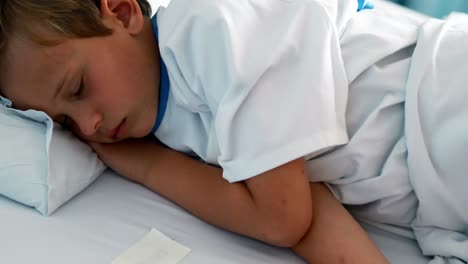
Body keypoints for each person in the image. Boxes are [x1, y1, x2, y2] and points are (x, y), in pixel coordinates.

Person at [0, 0, 428, 263]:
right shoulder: (175, 123)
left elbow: (282, 220)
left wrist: (147, 167)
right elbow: (308, 212)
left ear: (123, 11)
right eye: (65, 123)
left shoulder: (207, 27)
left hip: (436, 96)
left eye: (78, 88)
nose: (89, 126)